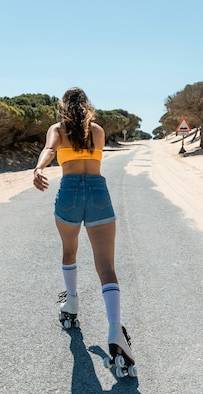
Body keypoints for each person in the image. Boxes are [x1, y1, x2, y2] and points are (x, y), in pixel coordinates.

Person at [32, 87, 135, 375]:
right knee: (106, 266)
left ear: (62, 107)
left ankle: (72, 302)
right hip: (98, 190)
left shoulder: (57, 129)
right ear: (87, 106)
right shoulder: (98, 131)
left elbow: (51, 149)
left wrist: (39, 168)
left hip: (69, 191)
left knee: (69, 250)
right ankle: (116, 331)